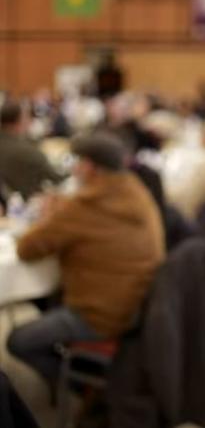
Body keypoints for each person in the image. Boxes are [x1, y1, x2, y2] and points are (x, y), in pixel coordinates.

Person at [7, 134, 164, 387]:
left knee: (17, 341)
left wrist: (50, 216)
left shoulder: (84, 205)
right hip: (137, 305)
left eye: (76, 161)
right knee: (44, 301)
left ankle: (82, 390)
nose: (73, 167)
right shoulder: (135, 191)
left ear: (89, 166)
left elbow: (27, 248)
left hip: (98, 314)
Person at [0, 101, 61, 199]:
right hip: (28, 202)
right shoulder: (28, 151)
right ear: (18, 121)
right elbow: (56, 178)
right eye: (26, 117)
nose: (30, 120)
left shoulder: (23, 145)